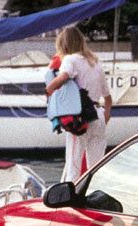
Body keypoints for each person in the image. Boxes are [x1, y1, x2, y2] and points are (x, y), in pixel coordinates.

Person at [45, 27, 112, 182]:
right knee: (96, 167)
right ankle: (95, 196)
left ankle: (69, 200)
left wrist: (48, 89)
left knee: (73, 165)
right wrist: (105, 117)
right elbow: (108, 99)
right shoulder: (95, 64)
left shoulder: (70, 60)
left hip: (80, 117)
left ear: (64, 45)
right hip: (98, 115)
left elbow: (64, 76)